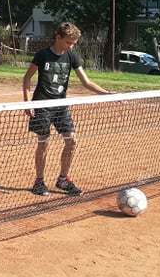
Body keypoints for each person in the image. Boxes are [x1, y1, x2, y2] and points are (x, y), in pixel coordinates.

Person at [22, 21, 110, 196]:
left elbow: (86, 82)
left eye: (73, 43)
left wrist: (107, 93)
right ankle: (39, 182)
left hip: (60, 106)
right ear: (58, 37)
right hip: (42, 105)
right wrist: (27, 102)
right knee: (43, 142)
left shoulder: (72, 57)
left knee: (71, 141)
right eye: (68, 42)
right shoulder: (42, 55)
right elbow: (27, 78)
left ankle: (63, 179)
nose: (70, 46)